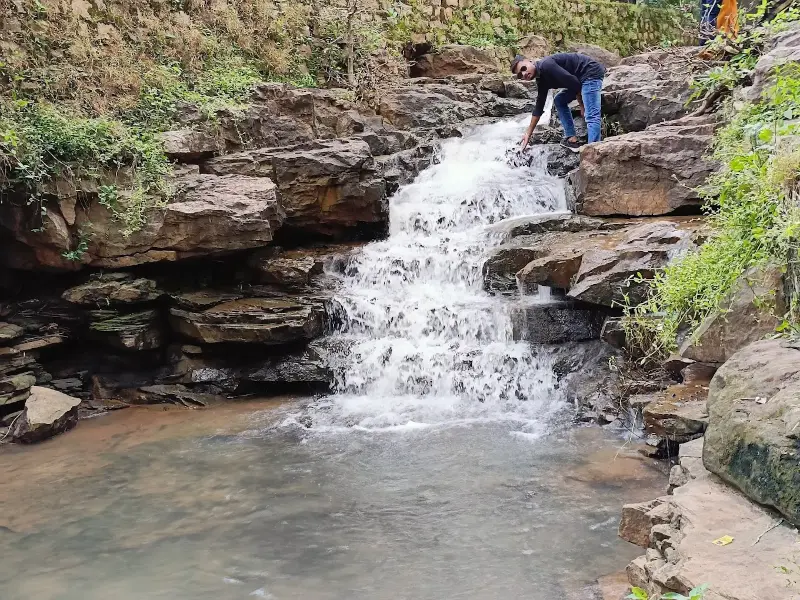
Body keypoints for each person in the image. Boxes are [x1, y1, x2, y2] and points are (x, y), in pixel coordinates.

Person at [512, 53, 605, 152]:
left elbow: (574, 83)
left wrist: (582, 105)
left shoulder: (546, 65)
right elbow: (539, 107)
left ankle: (592, 152)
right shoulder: (541, 79)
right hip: (578, 80)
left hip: (589, 72)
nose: (523, 74)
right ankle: (571, 139)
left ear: (529, 61)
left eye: (523, 69)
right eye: (520, 75)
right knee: (559, 100)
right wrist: (528, 134)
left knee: (591, 114)